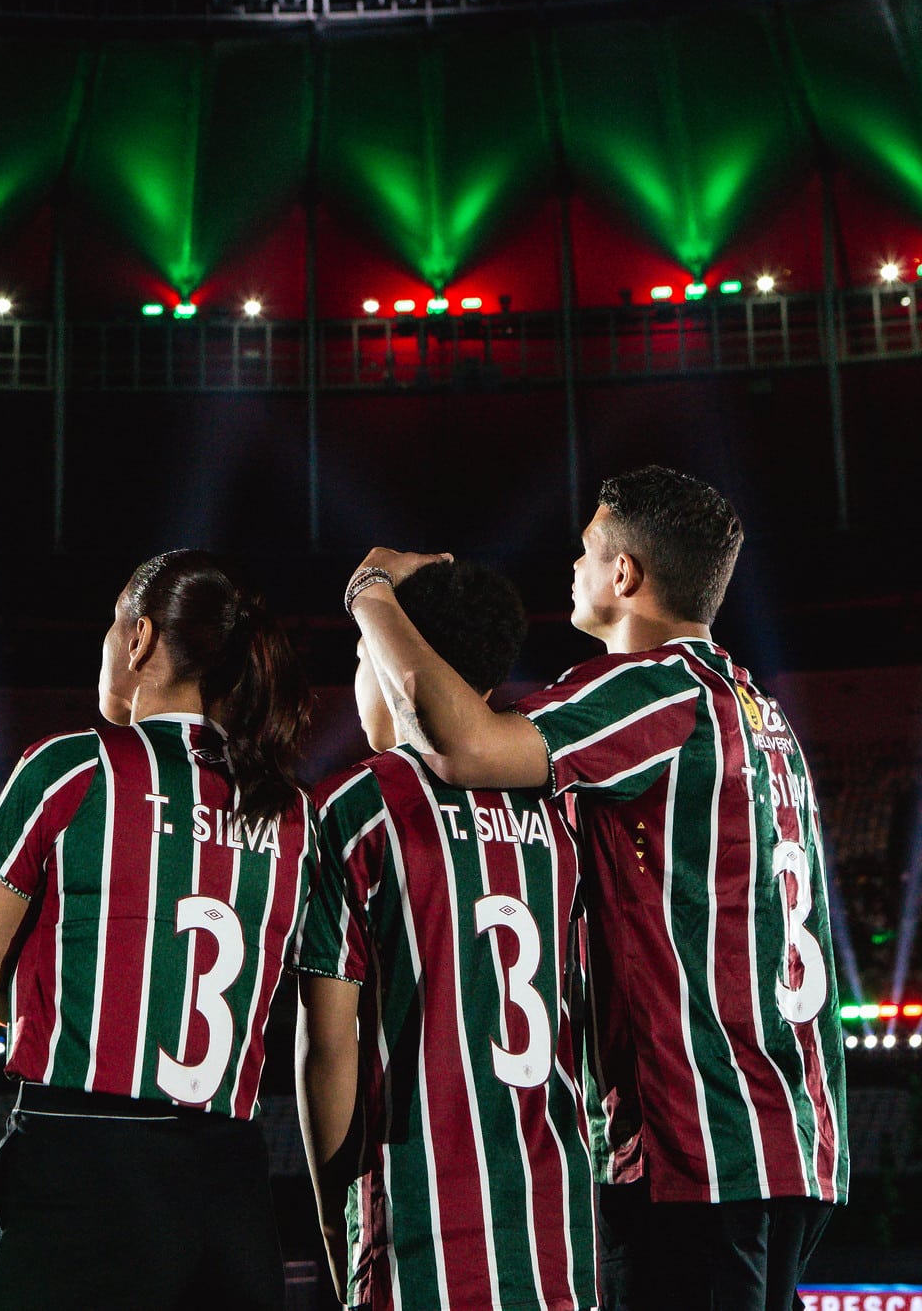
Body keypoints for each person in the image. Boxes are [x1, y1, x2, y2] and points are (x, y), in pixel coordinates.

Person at [345, 466, 847, 1311]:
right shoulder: (760, 714)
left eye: (584, 552)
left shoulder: (656, 688)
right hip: (791, 1136)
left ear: (624, 576)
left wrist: (369, 595)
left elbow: (465, 745)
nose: (570, 569)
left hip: (700, 1142)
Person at [0, 549, 315, 1311]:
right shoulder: (292, 812)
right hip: (232, 1180)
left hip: (83, 1159)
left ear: (140, 637)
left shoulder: (71, 767)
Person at [295, 561, 594, 1311]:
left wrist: (335, 1228)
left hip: (420, 1234)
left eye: (362, 657)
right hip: (559, 1232)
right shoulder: (562, 810)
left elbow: (329, 1050)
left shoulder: (357, 806)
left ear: (401, 663)